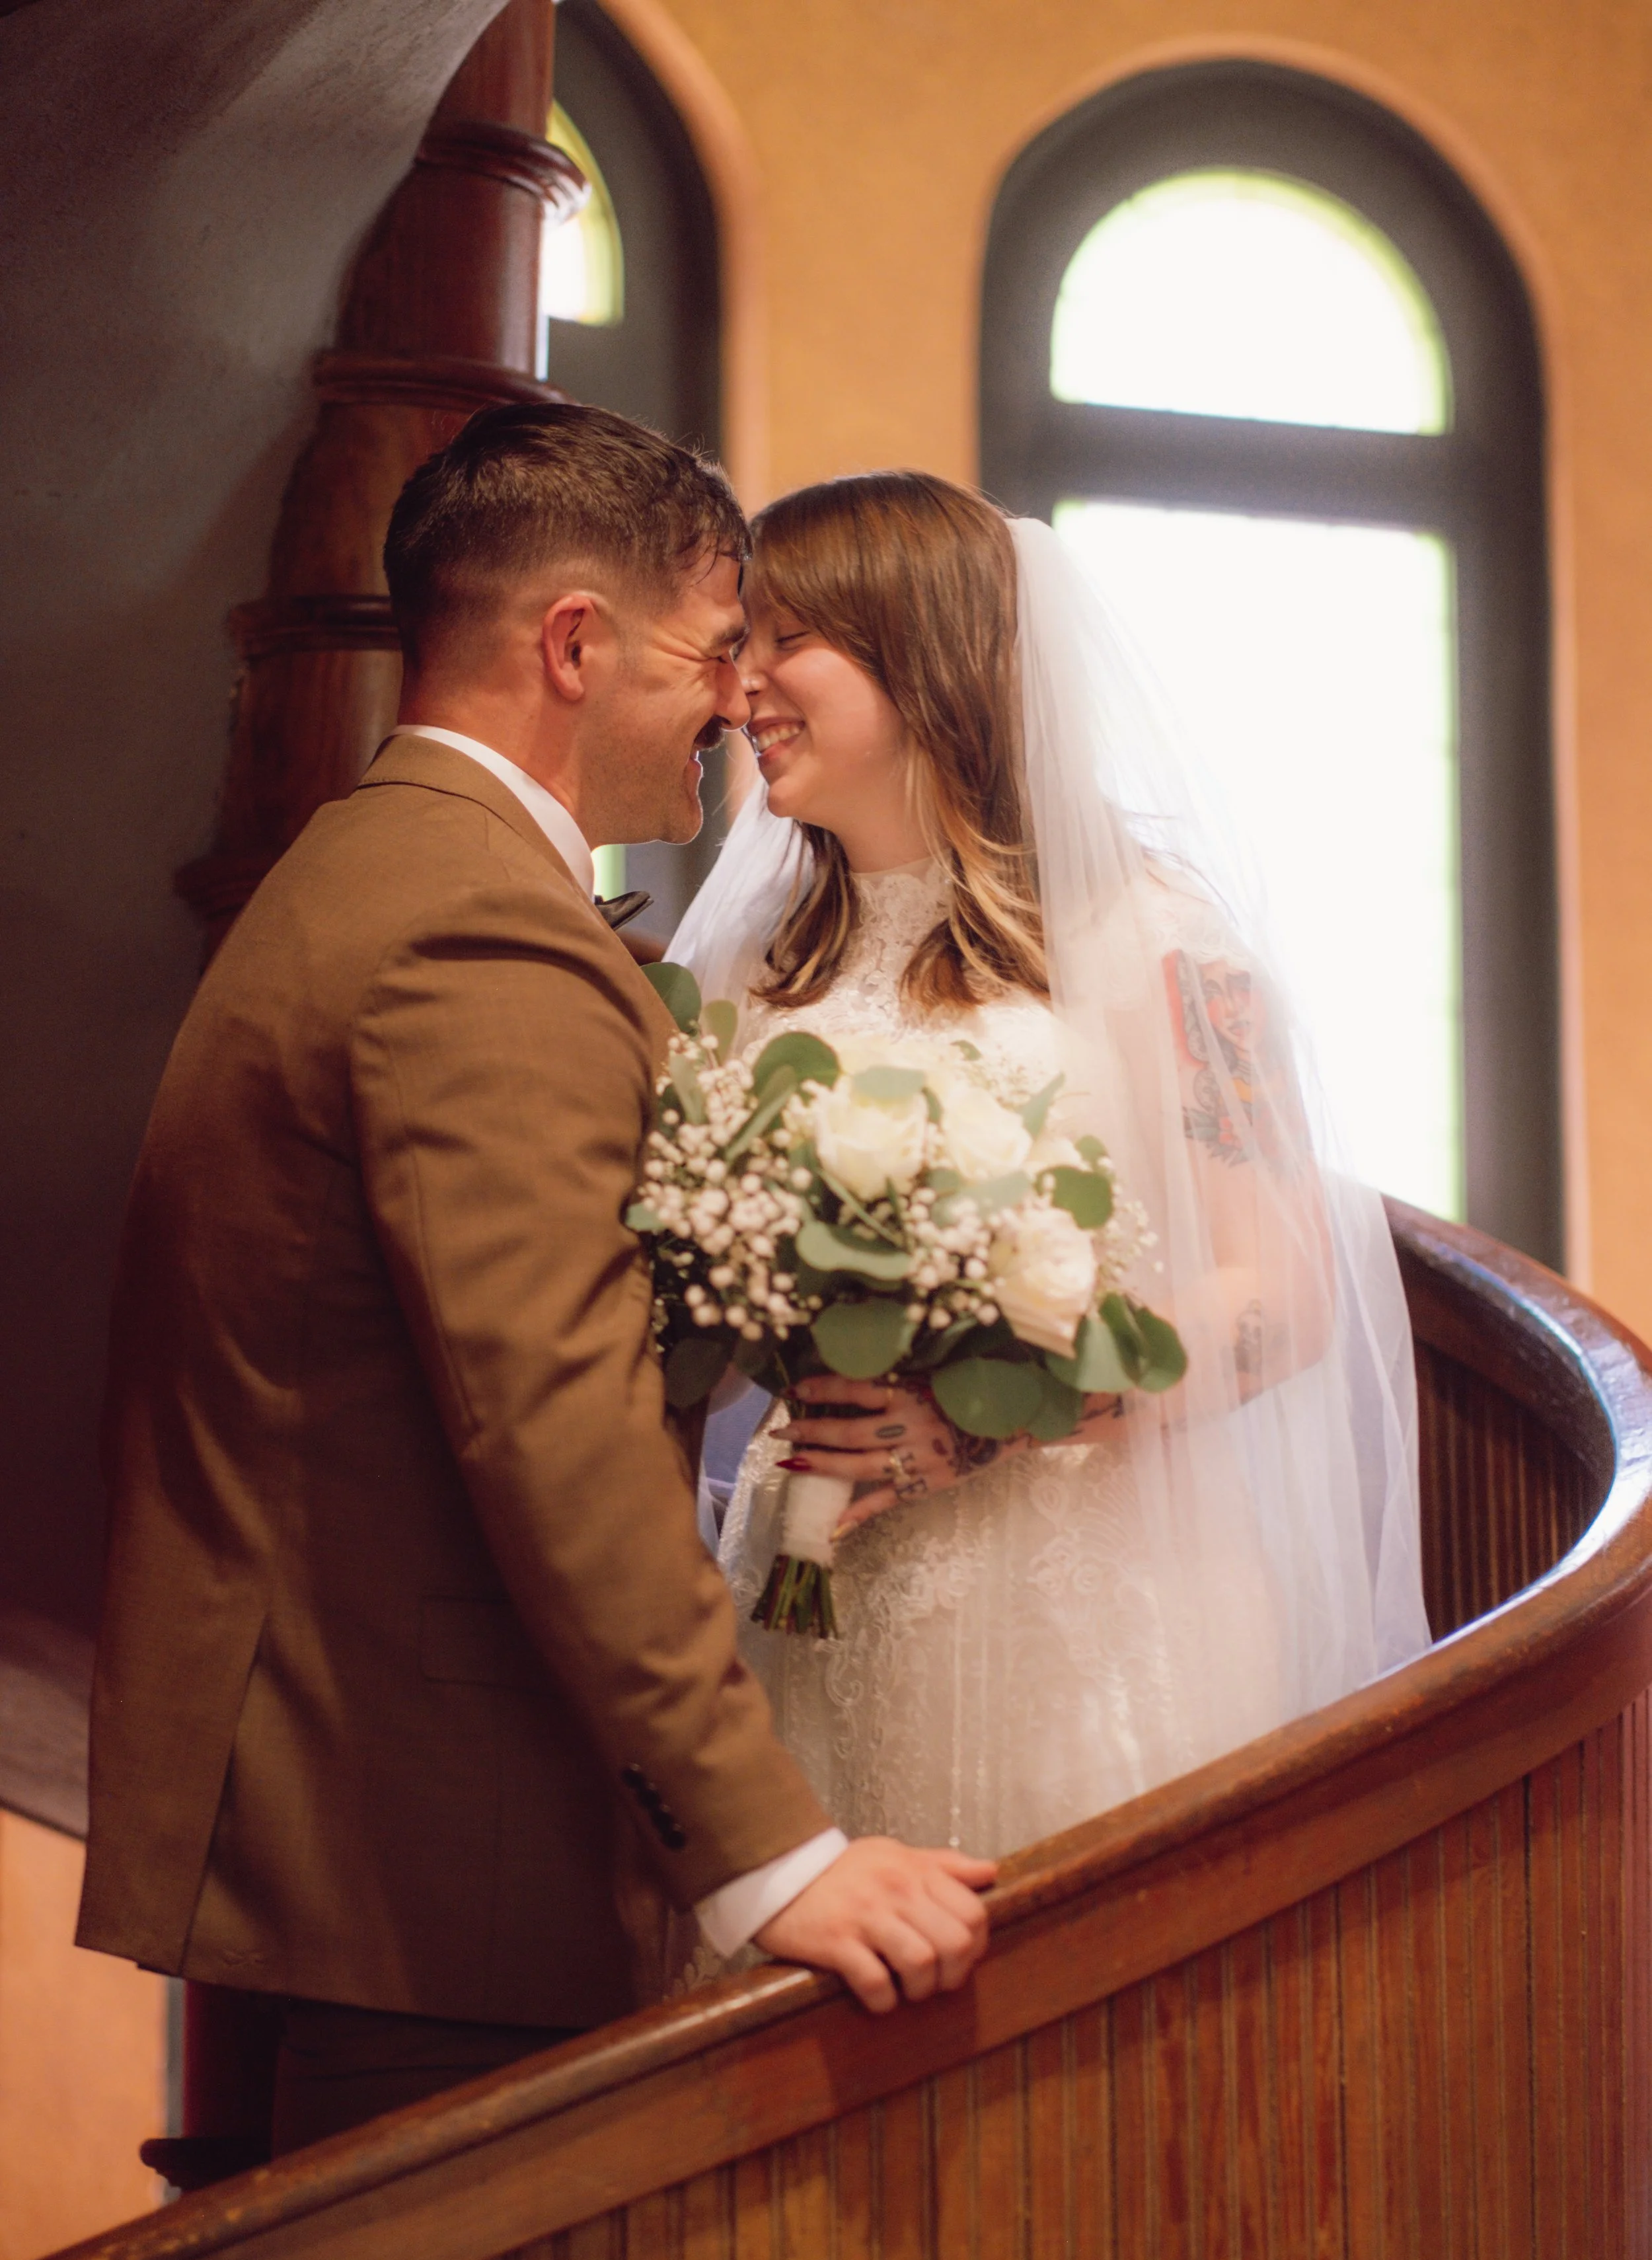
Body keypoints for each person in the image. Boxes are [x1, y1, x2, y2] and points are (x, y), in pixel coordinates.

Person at [76, 408, 995, 2156]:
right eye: (716, 649)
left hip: (363, 1827)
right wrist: (767, 1853)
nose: (737, 699)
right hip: (432, 1845)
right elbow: (551, 1424)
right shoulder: (472, 927)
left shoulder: (380, 866)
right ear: (572, 644)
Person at [670, 471, 1429, 1869]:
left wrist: (985, 1417)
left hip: (1079, 1603)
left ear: (923, 655)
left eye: (787, 640)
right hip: (807, 1568)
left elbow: (1288, 1298)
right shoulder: (755, 968)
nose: (743, 687)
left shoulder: (1158, 940)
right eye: (739, 645)